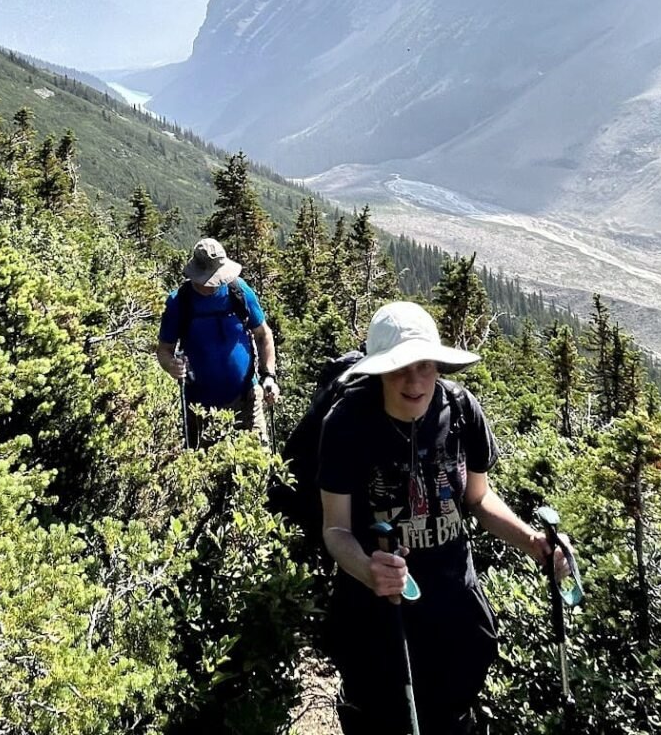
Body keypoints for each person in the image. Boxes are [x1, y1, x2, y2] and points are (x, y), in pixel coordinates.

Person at [318, 301, 575, 735]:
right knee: (380, 719)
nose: (414, 380)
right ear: (378, 371)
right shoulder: (346, 424)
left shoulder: (460, 409)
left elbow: (478, 498)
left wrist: (532, 542)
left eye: (425, 365)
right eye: (399, 367)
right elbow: (336, 528)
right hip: (378, 615)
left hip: (455, 604)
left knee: (452, 714)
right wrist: (368, 570)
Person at [156, 236, 281, 445]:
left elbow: (263, 334)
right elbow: (164, 349)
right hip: (199, 408)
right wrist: (171, 366)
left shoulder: (239, 292)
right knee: (208, 472)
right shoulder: (179, 302)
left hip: (247, 399)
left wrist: (268, 376)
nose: (212, 284)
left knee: (257, 466)